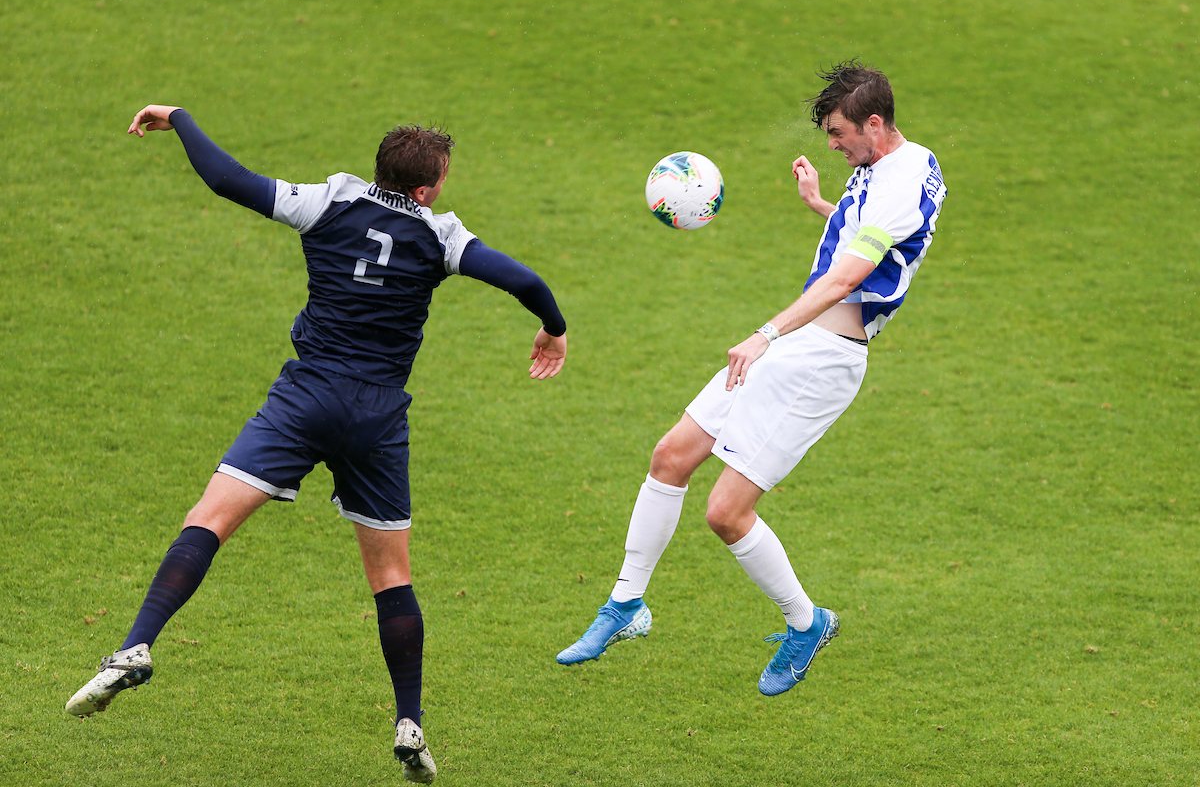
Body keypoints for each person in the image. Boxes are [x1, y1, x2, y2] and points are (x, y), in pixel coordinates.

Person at [66, 104, 568, 783]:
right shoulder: (443, 237)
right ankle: (409, 721)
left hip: (304, 399)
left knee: (207, 522)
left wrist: (180, 118)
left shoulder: (327, 201)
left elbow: (227, 180)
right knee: (391, 576)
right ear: (424, 190)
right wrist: (552, 328)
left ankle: (135, 647)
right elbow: (525, 281)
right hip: (377, 418)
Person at [556, 60, 946, 696]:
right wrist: (825, 204)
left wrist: (764, 335)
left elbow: (849, 278)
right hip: (801, 344)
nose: (834, 144)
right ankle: (625, 607)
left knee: (726, 511)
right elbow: (883, 240)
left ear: (875, 124)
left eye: (841, 133)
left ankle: (806, 622)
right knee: (671, 456)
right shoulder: (903, 163)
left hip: (823, 360)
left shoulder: (897, 186)